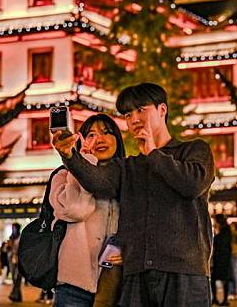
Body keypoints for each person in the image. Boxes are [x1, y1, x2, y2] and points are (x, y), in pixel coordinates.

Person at [52, 83, 215, 306]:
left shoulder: (194, 150)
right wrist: (69, 155)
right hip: (137, 276)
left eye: (141, 110)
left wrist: (153, 154)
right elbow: (97, 180)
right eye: (128, 114)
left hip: (184, 273)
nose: (134, 118)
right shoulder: (128, 167)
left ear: (162, 110)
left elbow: (192, 185)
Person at [49, 113, 124, 307]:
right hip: (74, 285)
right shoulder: (62, 176)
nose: (99, 139)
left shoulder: (127, 179)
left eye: (107, 133)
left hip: (113, 282)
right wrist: (84, 161)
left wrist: (128, 252)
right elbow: (76, 210)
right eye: (91, 135)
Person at [211, 215, 232, 306]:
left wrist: (215, 236)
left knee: (224, 279)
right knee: (214, 278)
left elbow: (221, 241)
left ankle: (224, 299)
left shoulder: (226, 230)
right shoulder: (223, 230)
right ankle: (215, 298)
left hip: (223, 257)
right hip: (220, 257)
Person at [7, 223, 23, 303]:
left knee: (18, 278)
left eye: (14, 228)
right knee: (14, 278)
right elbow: (8, 248)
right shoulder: (11, 238)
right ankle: (18, 297)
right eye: (12, 228)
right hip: (11, 259)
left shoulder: (21, 237)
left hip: (20, 259)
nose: (13, 230)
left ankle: (13, 295)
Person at [227, 222, 237, 301]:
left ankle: (234, 292)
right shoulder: (230, 235)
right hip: (230, 255)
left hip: (234, 255)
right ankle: (231, 292)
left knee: (234, 274)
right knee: (230, 274)